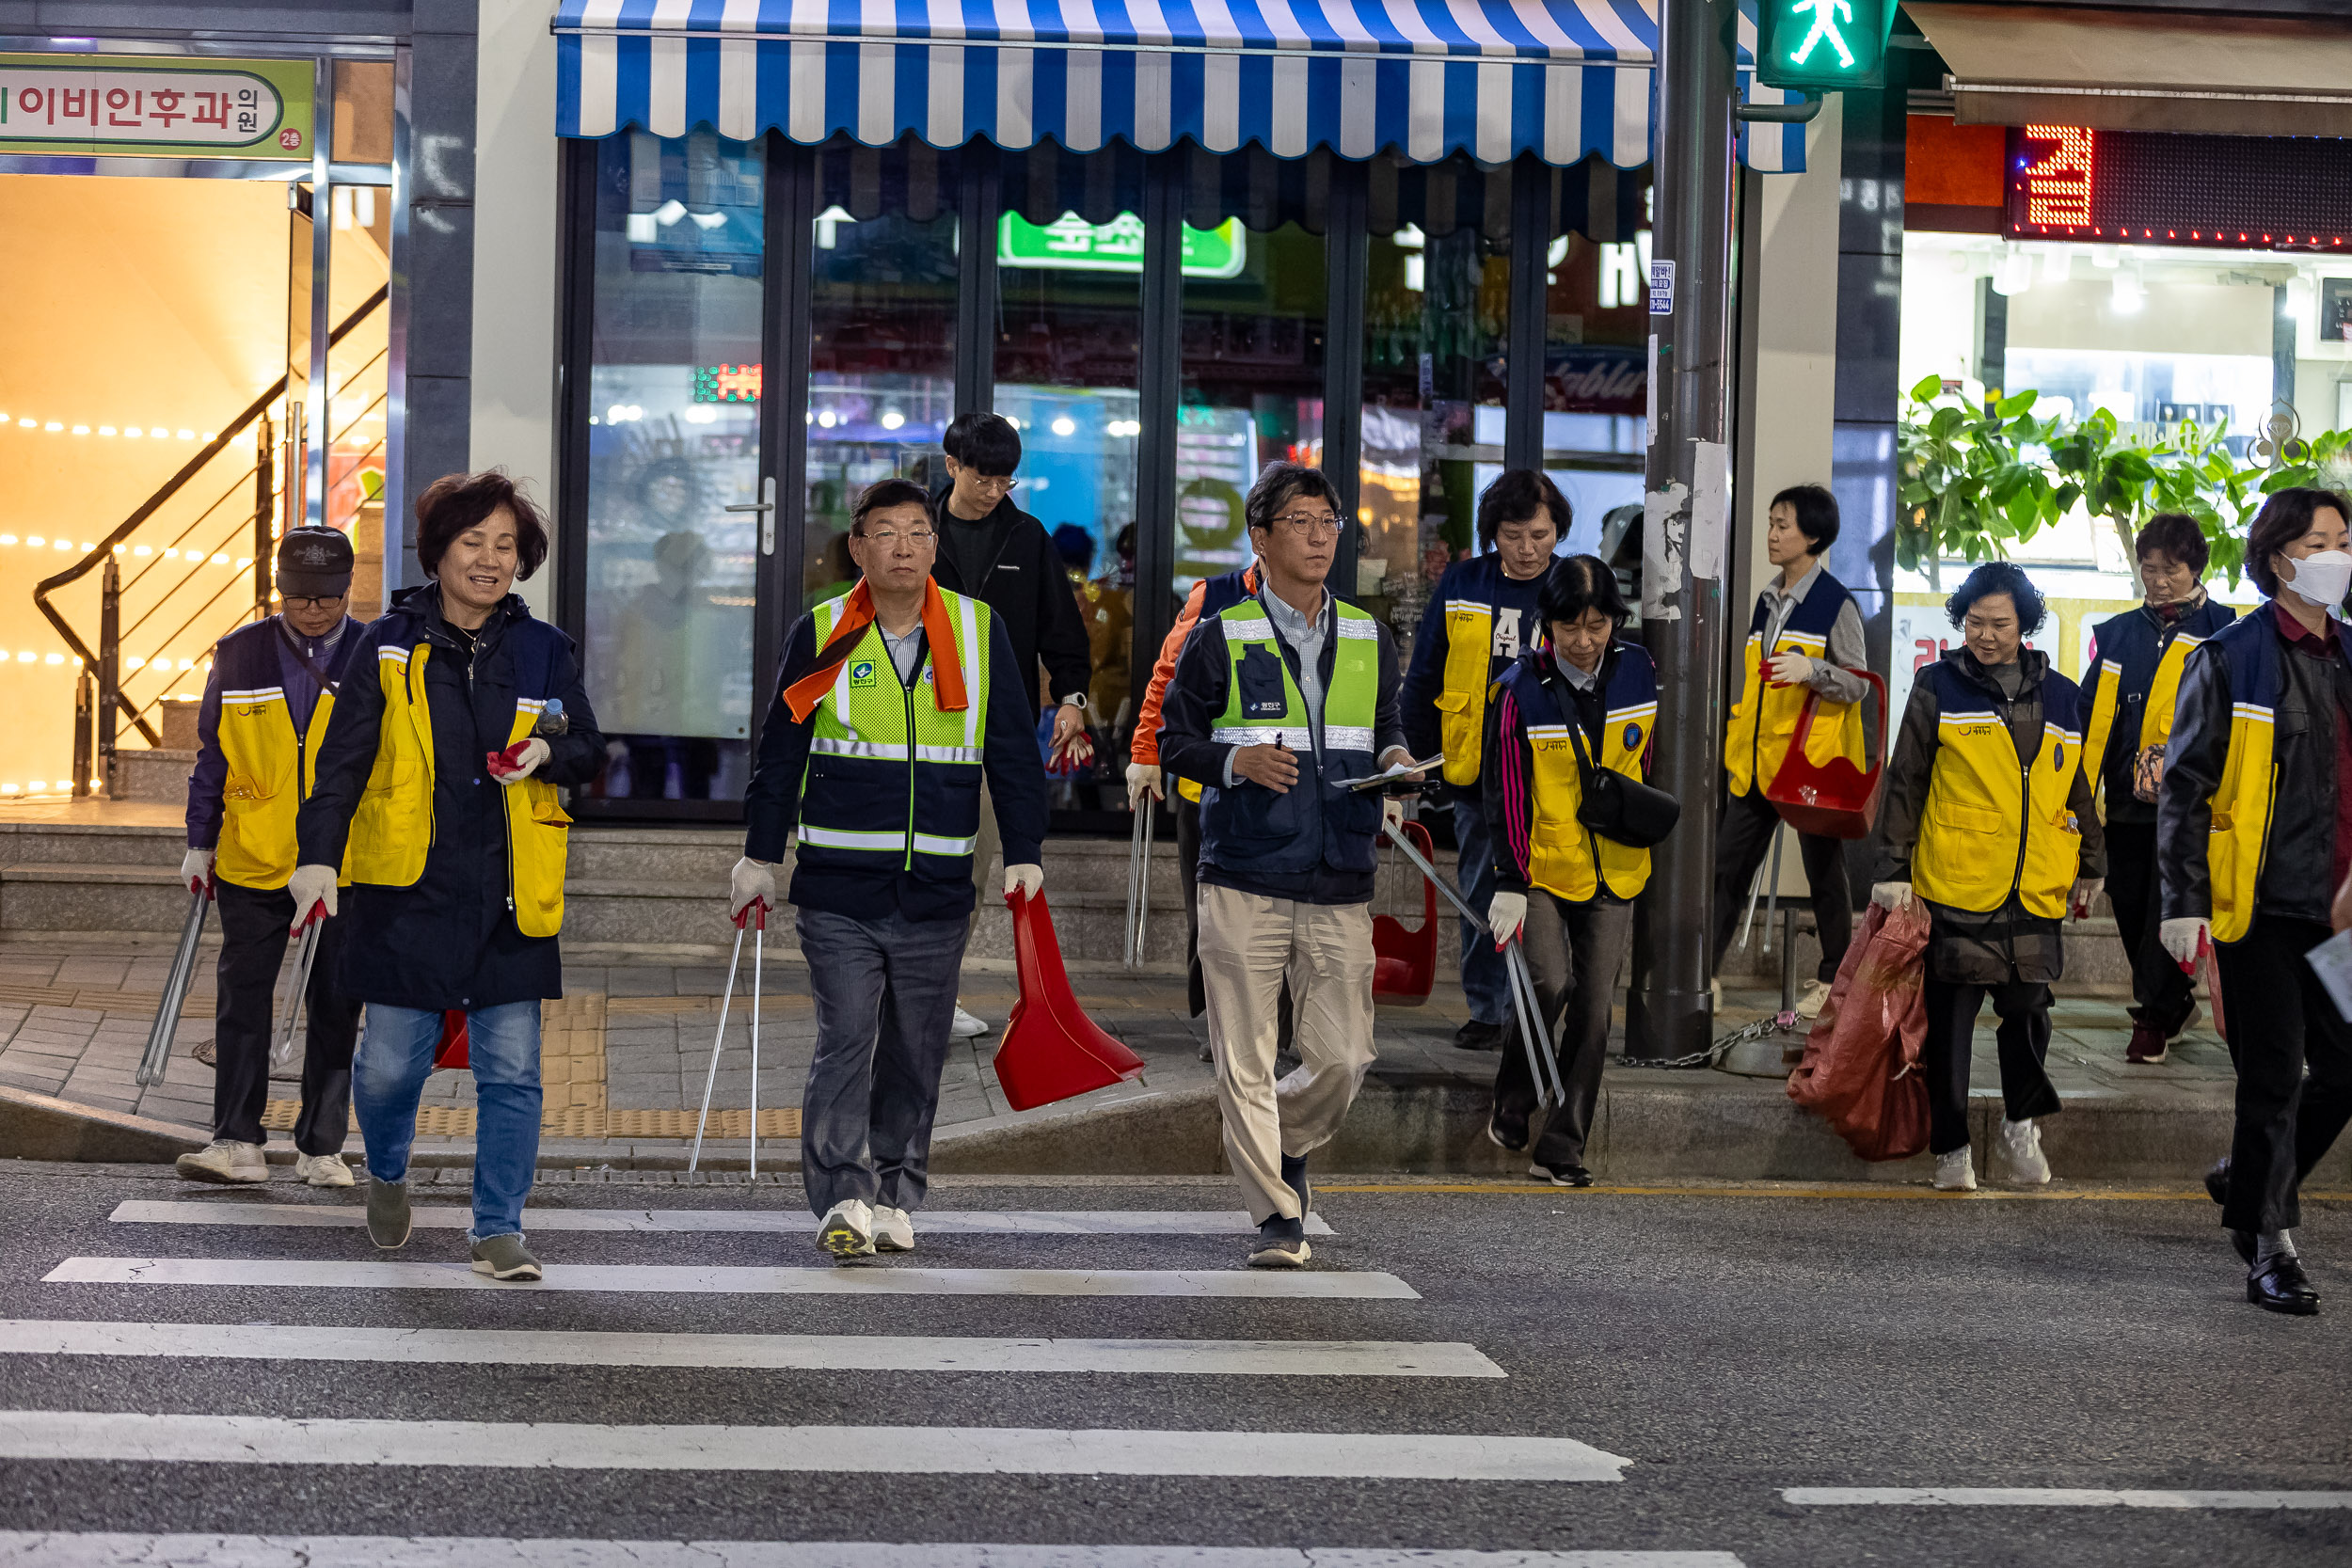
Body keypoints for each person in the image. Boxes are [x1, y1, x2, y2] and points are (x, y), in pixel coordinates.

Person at [291, 471, 606, 1282]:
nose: (490, 559)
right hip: (408, 892)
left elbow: (588, 747)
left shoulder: (544, 649)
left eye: (506, 545)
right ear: (438, 552)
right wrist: (318, 857)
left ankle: (498, 1226)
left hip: (509, 895)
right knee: (392, 1063)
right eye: (474, 542)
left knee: (513, 1070)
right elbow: (341, 764)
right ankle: (388, 1170)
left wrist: (547, 751)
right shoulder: (384, 644)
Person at [730, 478, 1049, 1260]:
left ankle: (899, 1189)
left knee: (916, 1047)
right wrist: (759, 856)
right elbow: (783, 749)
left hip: (939, 887)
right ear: (858, 547)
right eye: (886, 533)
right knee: (846, 1037)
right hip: (839, 885)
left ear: (935, 547)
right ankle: (843, 1193)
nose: (903, 547)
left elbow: (1011, 750)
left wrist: (1025, 851)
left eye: (917, 532)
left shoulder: (977, 631)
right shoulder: (825, 629)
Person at [1156, 462, 1421, 1268]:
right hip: (1241, 871)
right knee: (1244, 1052)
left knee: (1344, 1057)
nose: (1318, 535)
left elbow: (1383, 726)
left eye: (1329, 520)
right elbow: (1175, 743)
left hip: (1340, 870)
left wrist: (1399, 762)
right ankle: (1278, 1216)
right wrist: (1237, 761)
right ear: (1260, 536)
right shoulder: (1219, 631)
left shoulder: (1373, 636)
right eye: (1301, 521)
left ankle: (1284, 1144)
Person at [2159, 486, 2352, 1316]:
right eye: (2321, 540)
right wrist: (2183, 900)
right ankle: (2270, 1244)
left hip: (2339, 909)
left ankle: (2248, 1179)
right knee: (2274, 1074)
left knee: (2346, 1067)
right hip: (2262, 907)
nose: (2338, 554)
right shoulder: (2232, 656)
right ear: (2279, 557)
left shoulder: (2351, 655)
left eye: (2345, 538)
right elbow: (2186, 787)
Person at [1871, 561, 2103, 1194]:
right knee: (1949, 1024)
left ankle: (2019, 1130)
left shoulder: (2060, 694)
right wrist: (1892, 867)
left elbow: (2076, 782)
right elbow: (1906, 778)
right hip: (1957, 880)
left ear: (2024, 624)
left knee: (2030, 1013)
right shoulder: (1938, 684)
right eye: (1974, 621)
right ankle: (1950, 1149)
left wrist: (2092, 859)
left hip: (2035, 885)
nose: (1986, 633)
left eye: (1999, 623)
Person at [171, 527, 368, 1188]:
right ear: (279, 588)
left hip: (344, 862)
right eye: (299, 596)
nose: (313, 608)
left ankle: (322, 1146)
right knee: (242, 997)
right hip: (253, 854)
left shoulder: (374, 653)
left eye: (327, 596)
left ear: (347, 590)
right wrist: (201, 840)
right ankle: (236, 1140)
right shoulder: (239, 652)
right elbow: (212, 755)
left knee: (337, 1003)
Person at [1482, 556, 1661, 1186]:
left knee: (1594, 1009)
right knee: (1548, 983)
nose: (1584, 641)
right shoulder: (1516, 689)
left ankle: (1562, 1144)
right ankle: (1512, 1097)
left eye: (1598, 624)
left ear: (1615, 619)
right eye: (1569, 627)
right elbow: (1503, 790)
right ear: (1547, 624)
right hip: (1543, 867)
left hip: (1617, 866)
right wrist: (1508, 876)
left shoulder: (1641, 669)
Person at [931, 412, 1094, 1037]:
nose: (995, 490)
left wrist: (1072, 700)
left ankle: (936, 997)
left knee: (972, 868)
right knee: (912, 867)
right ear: (952, 467)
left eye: (1006, 480)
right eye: (983, 478)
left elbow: (1063, 632)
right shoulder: (918, 530)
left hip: (995, 735)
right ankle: (902, 991)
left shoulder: (1027, 539)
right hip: (914, 729)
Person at [1400, 470, 1565, 1052]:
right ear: (1493, 533)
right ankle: (1488, 1009)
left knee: (1550, 894)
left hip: (1554, 772)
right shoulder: (1464, 581)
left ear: (1557, 532)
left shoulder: (1573, 586)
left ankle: (1541, 1009)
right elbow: (1424, 675)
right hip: (1476, 769)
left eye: (1539, 535)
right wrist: (1410, 768)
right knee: (1480, 889)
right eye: (1512, 535)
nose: (1526, 549)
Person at [2080, 513, 2235, 1064]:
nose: (2157, 580)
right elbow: (2087, 713)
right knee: (2128, 907)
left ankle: (2153, 1016)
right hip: (2124, 802)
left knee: (2163, 913)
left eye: (2170, 569)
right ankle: (2170, 1004)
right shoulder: (2119, 633)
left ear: (2196, 568)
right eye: (2148, 568)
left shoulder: (2225, 631)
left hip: (2188, 806)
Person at [1713, 483, 1869, 1019]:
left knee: (1825, 874)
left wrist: (1814, 671)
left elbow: (1858, 684)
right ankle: (1703, 976)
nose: (1773, 535)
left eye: (1785, 525)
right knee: (1725, 872)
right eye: (1772, 523)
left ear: (1815, 536)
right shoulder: (1767, 598)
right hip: (1758, 762)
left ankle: (1834, 980)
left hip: (1811, 765)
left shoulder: (1836, 603)